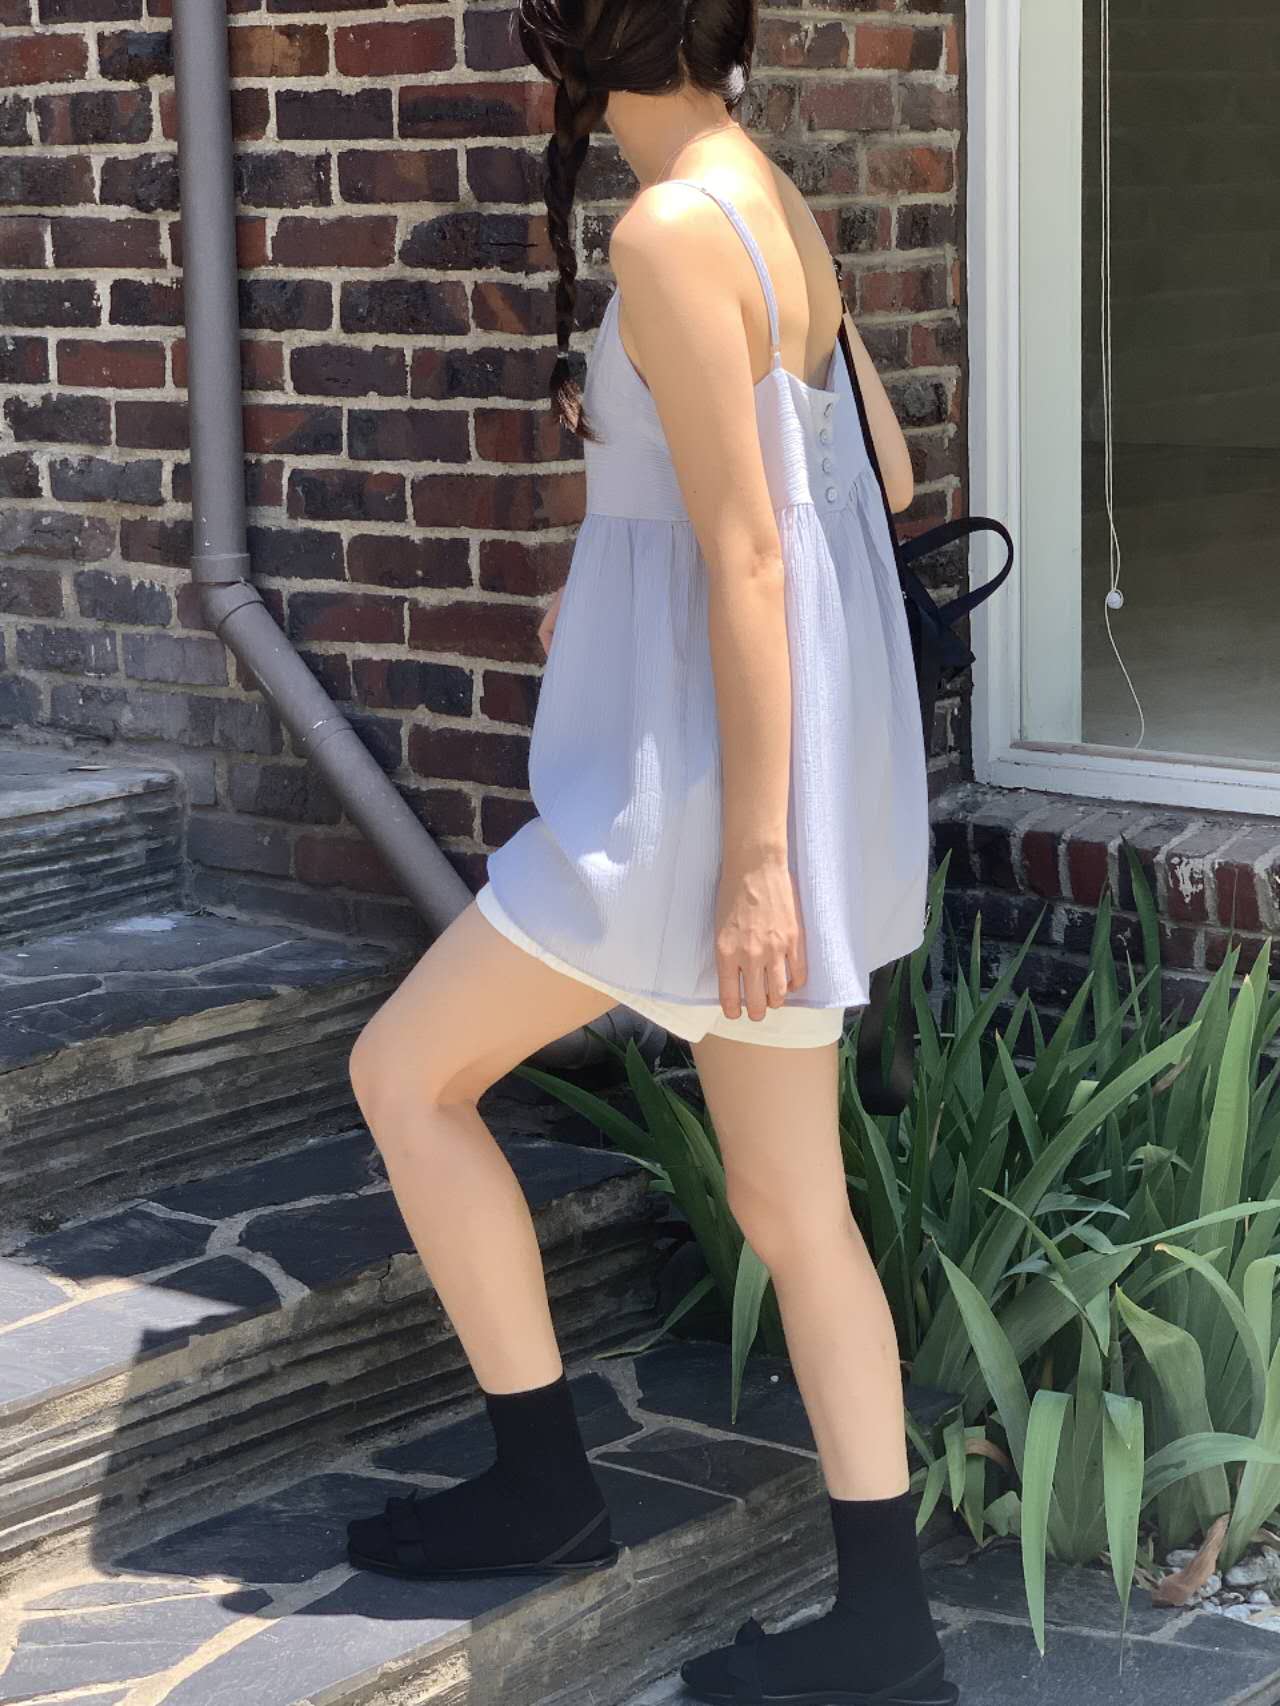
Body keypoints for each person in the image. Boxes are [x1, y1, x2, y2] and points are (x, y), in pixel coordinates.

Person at [345, 5, 951, 1704]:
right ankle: (891, 1633)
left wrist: (754, 865)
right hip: (768, 781)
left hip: (687, 801)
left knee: (404, 1074)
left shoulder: (671, 226)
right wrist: (618, 568)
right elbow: (882, 472)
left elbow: (750, 555)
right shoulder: (766, 195)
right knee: (792, 1204)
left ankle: (544, 1482)